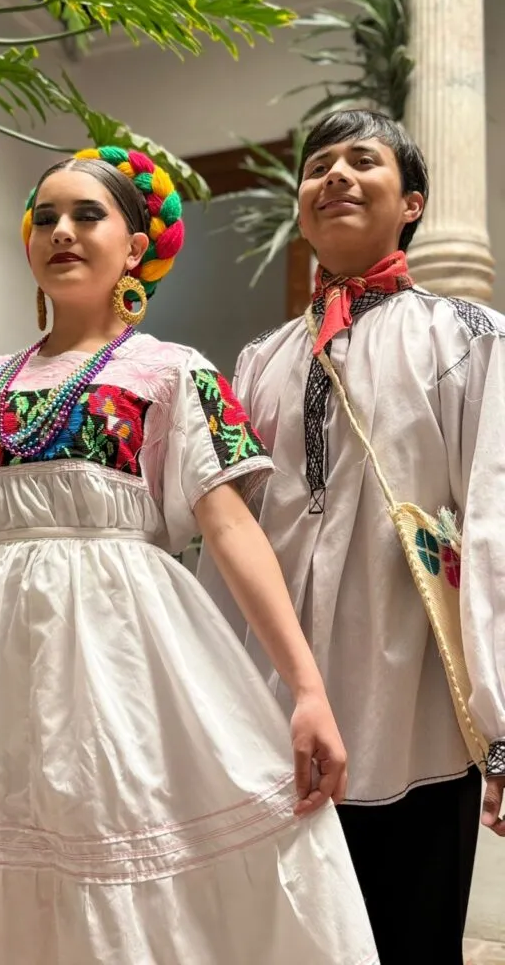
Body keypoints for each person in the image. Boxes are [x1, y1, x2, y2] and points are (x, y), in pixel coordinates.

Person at [0, 146, 378, 964]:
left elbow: (237, 531)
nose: (63, 231)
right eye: (47, 218)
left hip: (119, 660)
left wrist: (307, 691)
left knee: (116, 842)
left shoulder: (173, 375)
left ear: (135, 248)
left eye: (88, 214)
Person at [198, 109, 505, 965]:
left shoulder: (469, 339)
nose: (333, 175)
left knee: (411, 930)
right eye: (318, 164)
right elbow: (233, 529)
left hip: (415, 706)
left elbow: (495, 524)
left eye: (361, 161)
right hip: (277, 702)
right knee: (285, 936)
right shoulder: (260, 359)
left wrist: (502, 716)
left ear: (410, 203)